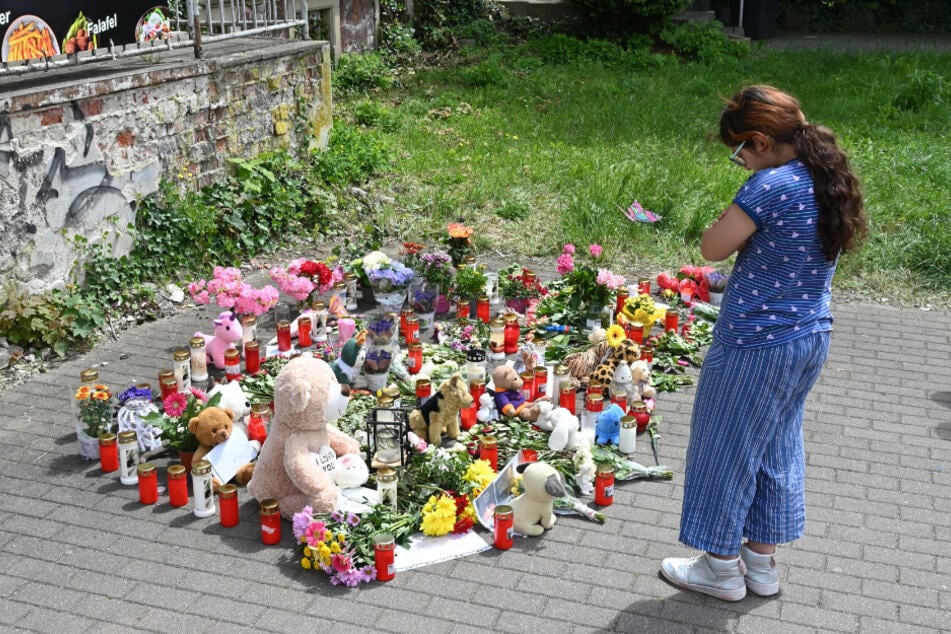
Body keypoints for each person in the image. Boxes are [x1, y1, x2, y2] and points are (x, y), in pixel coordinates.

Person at [660, 85, 868, 601]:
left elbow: (712, 247)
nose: (741, 162)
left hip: (755, 341)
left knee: (722, 450)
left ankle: (720, 569)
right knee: (777, 448)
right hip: (809, 337)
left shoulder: (769, 185)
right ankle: (761, 563)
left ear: (760, 140)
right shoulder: (827, 179)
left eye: (740, 153)